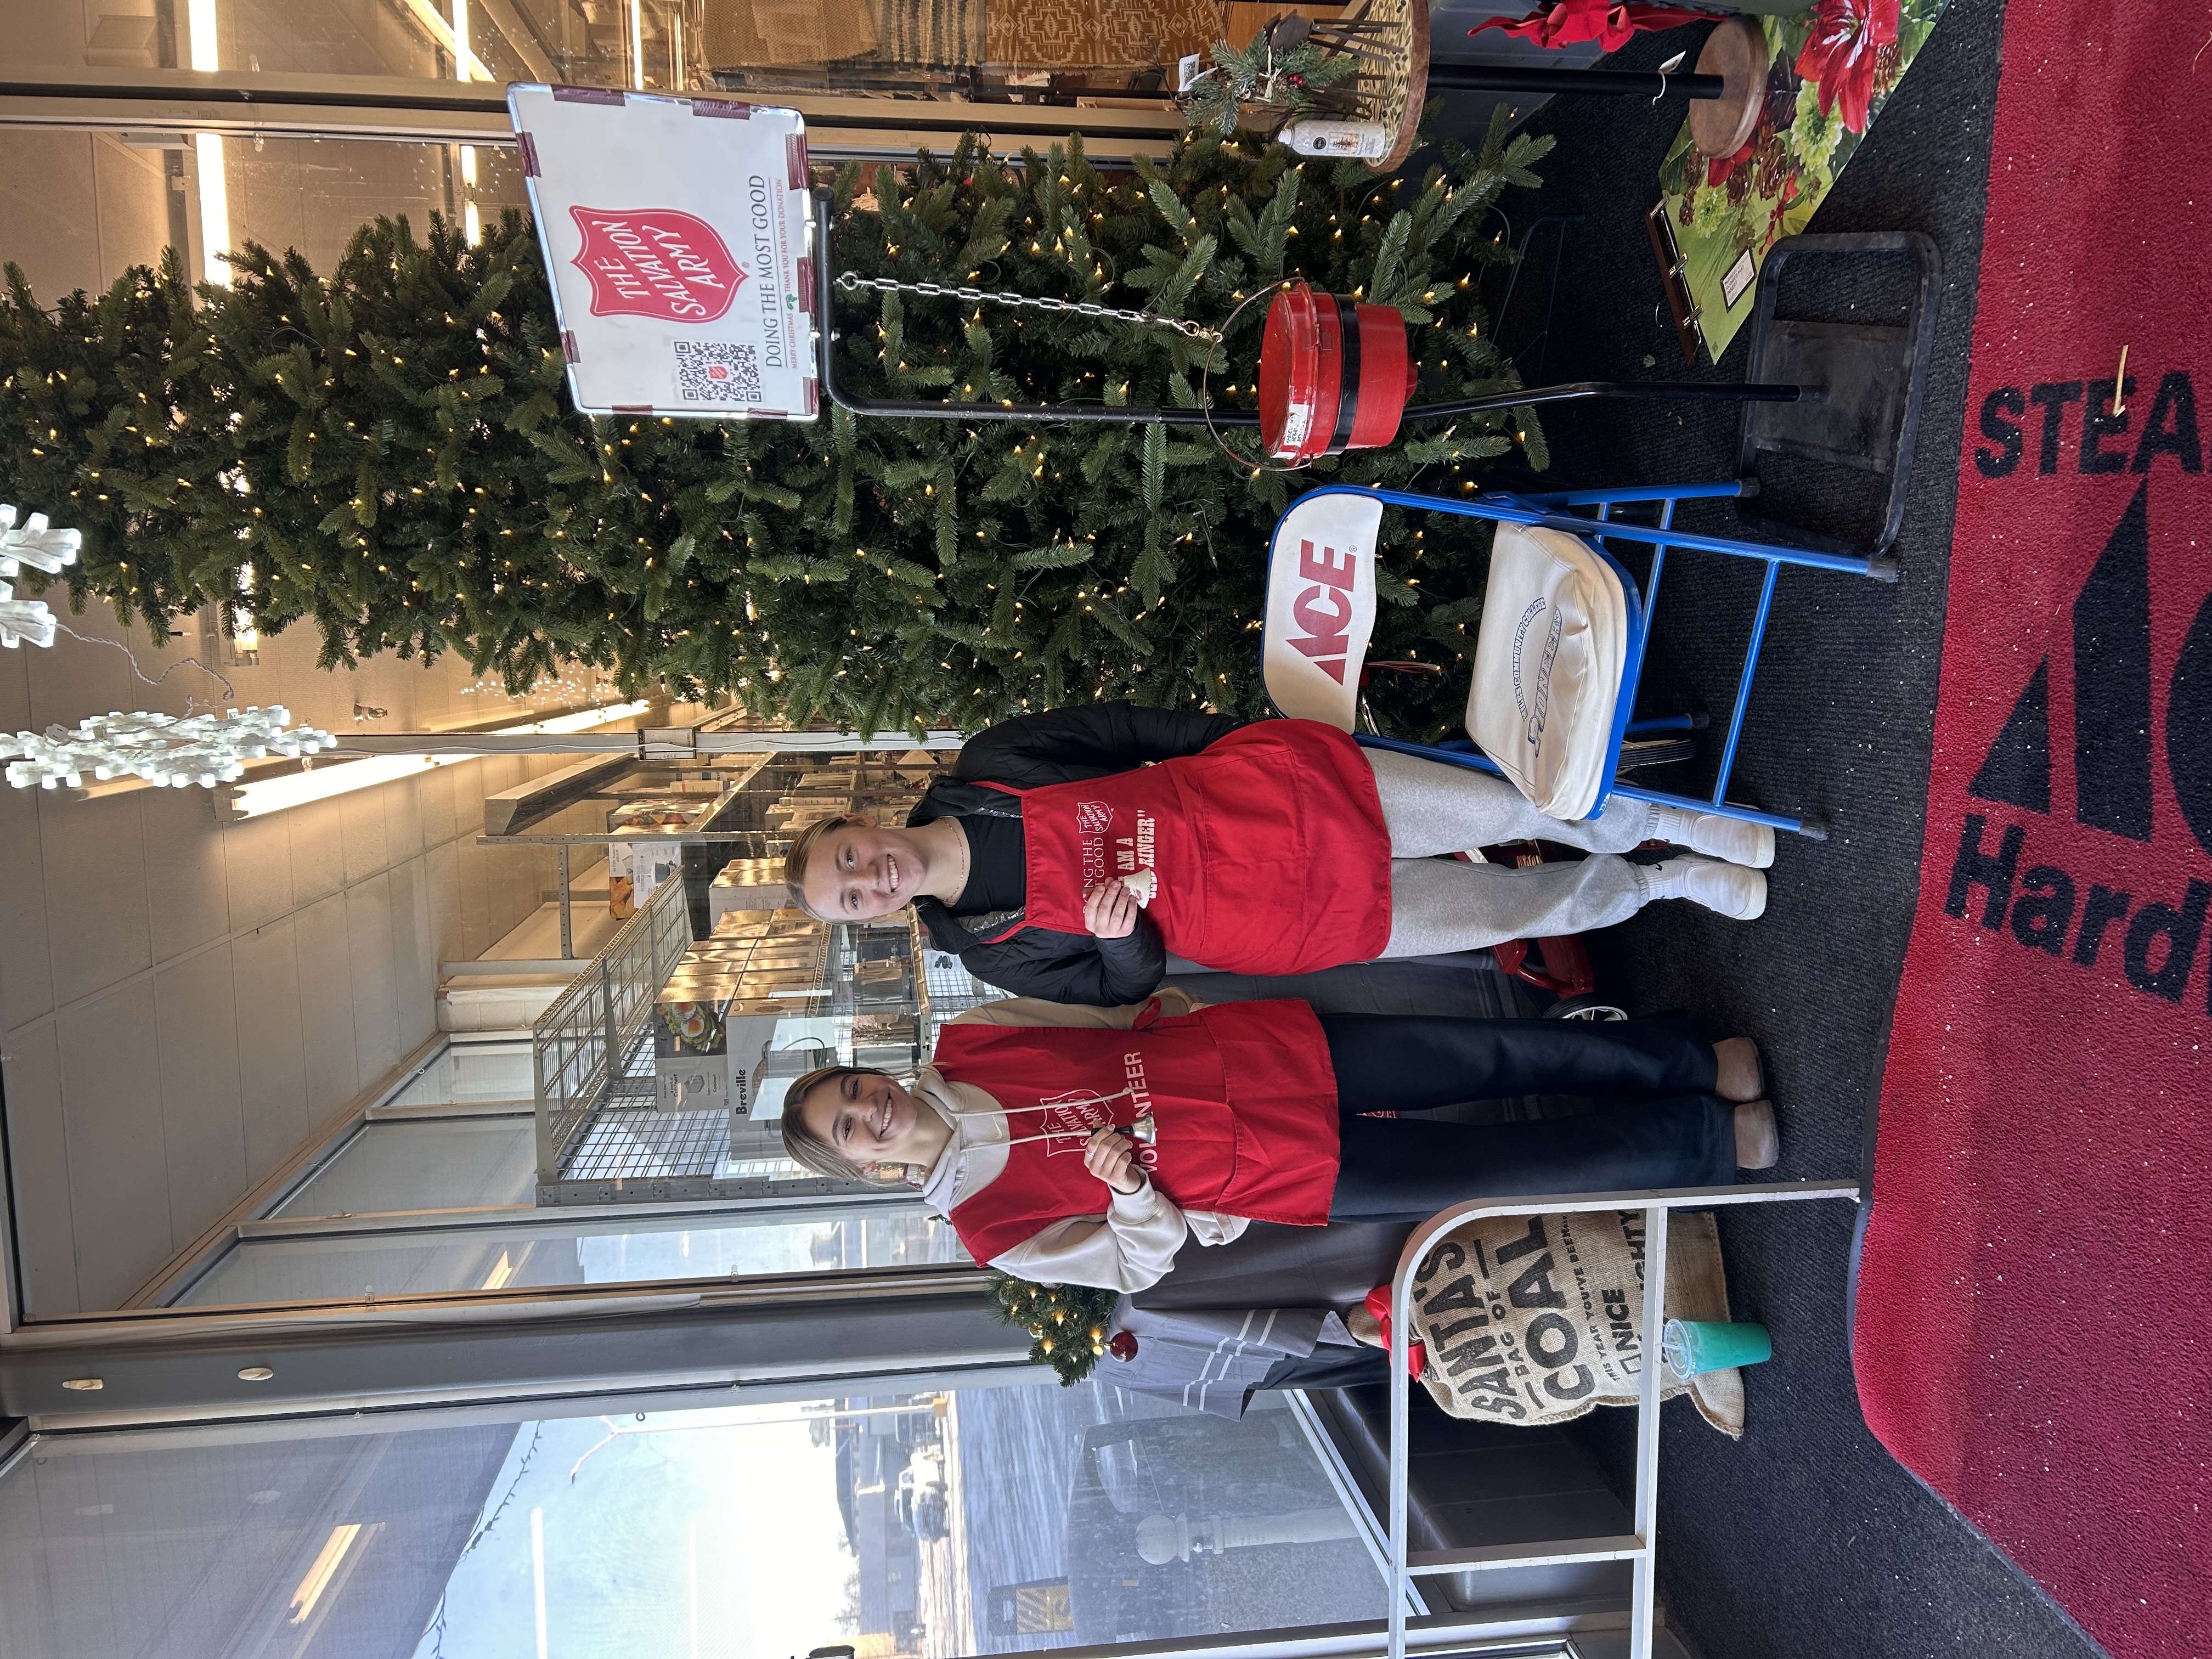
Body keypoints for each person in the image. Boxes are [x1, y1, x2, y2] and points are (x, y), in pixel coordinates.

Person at [778, 990, 1776, 1293]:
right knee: (1506, 1169)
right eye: (850, 1128)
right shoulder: (992, 1230)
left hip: (1266, 1056)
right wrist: (1129, 1194)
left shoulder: (971, 1037)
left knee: (1495, 1053)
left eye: (855, 1089)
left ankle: (1692, 1061)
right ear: (863, 1166)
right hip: (1270, 1171)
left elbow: (1112, 1016)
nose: (870, 1111)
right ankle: (1711, 1143)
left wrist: (1174, 1015)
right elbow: (1137, 1265)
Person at [786, 702, 1771, 1004]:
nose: (871, 881)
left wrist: (1233, 745)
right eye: (855, 902)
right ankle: (1667, 882)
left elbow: (1132, 729)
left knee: (1502, 808)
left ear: (860, 824)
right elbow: (1125, 988)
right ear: (869, 923)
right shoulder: (990, 947)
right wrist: (1123, 941)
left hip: (1272, 804)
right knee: (1516, 912)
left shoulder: (992, 762)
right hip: (1283, 923)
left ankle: (1677, 823)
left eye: (850, 861)